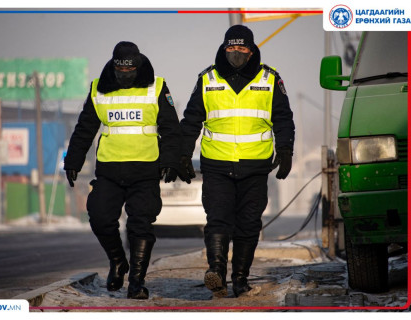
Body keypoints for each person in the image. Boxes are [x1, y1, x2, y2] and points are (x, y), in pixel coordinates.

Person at [180, 25, 295, 298]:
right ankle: (216, 272)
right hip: (216, 164)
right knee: (218, 219)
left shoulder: (270, 79)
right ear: (223, 48)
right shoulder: (207, 79)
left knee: (248, 224)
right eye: (231, 48)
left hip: (255, 167)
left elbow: (283, 119)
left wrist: (286, 150)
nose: (236, 53)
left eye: (242, 48)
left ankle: (240, 279)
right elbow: (191, 119)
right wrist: (183, 154)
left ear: (252, 49)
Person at [64, 41, 183, 299]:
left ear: (137, 66)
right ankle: (118, 262)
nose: (125, 74)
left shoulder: (157, 87)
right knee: (99, 217)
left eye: (129, 70)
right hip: (109, 171)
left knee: (141, 226)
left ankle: (137, 282)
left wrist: (171, 160)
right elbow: (85, 128)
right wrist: (73, 160)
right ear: (114, 66)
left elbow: (171, 128)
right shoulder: (99, 89)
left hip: (145, 170)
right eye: (120, 69)